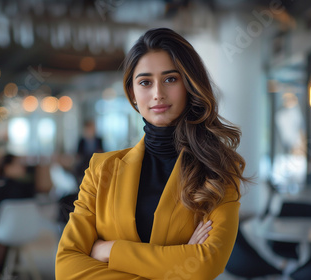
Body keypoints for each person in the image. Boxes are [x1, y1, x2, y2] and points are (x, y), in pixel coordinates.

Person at [56, 28, 248, 280]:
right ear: (133, 94)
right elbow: (66, 266)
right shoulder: (102, 169)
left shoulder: (218, 169)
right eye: (145, 82)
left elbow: (205, 265)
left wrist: (109, 250)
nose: (158, 93)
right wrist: (175, 263)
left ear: (189, 84)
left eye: (170, 79)